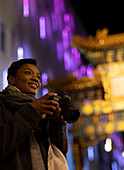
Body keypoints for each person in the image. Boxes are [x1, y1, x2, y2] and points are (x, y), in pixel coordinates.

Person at [0, 58, 68, 170]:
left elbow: (57, 155)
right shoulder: (3, 104)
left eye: (38, 77)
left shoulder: (41, 110)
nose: (35, 79)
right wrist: (32, 111)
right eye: (28, 73)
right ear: (12, 79)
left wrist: (57, 125)